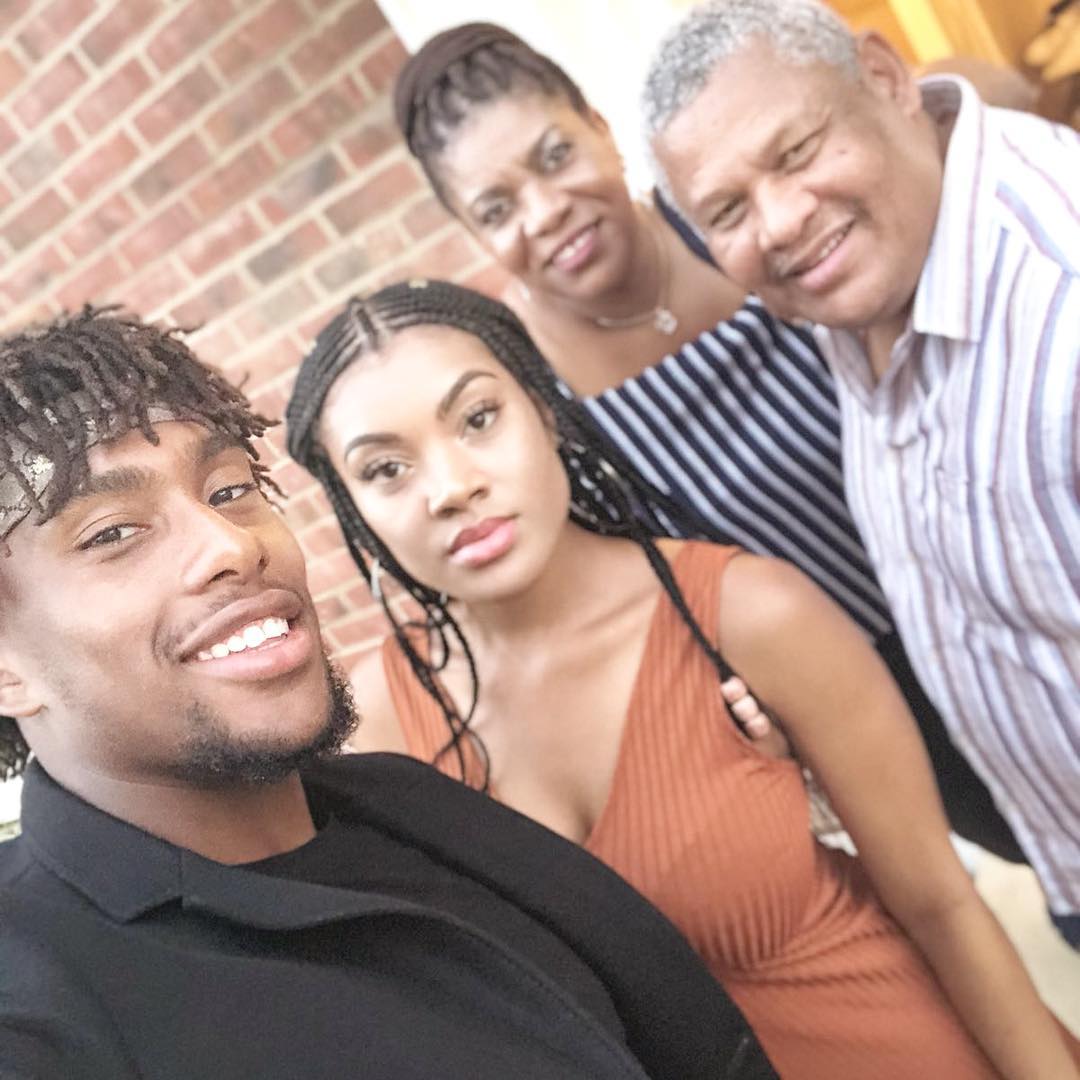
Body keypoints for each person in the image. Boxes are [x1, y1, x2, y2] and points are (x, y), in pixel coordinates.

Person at [284, 278, 1080, 1080]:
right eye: (385, 468)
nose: (452, 486)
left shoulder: (748, 614)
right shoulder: (376, 727)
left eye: (479, 419)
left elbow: (940, 905)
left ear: (544, 410)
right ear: (354, 512)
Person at [0, 306, 780, 1080]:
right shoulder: (36, 1010)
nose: (230, 544)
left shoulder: (410, 803)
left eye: (231, 488)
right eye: (112, 533)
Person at [390, 21, 1028, 863]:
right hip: (871, 682)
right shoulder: (533, 392)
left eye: (552, 156)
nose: (546, 214)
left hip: (1004, 562)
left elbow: (988, 91)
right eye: (497, 209)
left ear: (600, 128)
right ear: (474, 237)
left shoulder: (732, 218)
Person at [643, 0, 1080, 946]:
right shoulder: (858, 300)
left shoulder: (1059, 291)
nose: (783, 221)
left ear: (884, 79)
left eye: (796, 151)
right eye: (726, 210)